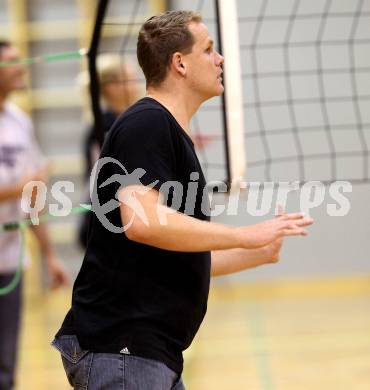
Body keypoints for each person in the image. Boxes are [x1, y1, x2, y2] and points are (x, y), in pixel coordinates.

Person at [52, 11, 313, 390]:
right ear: (180, 63)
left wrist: (259, 250)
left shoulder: (167, 131)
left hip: (147, 352)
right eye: (209, 49)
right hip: (123, 348)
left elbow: (175, 261)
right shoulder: (147, 123)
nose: (220, 58)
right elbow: (142, 222)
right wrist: (243, 234)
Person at [0, 40, 69, 390]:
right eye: (12, 61)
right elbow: (24, 185)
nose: (21, 66)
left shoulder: (19, 122)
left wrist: (50, 255)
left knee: (6, 368)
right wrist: (21, 185)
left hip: (10, 261)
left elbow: (33, 197)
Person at [78, 54, 140, 247]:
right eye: (128, 79)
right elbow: (106, 176)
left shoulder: (134, 118)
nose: (135, 84)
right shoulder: (104, 126)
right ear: (110, 87)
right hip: (109, 221)